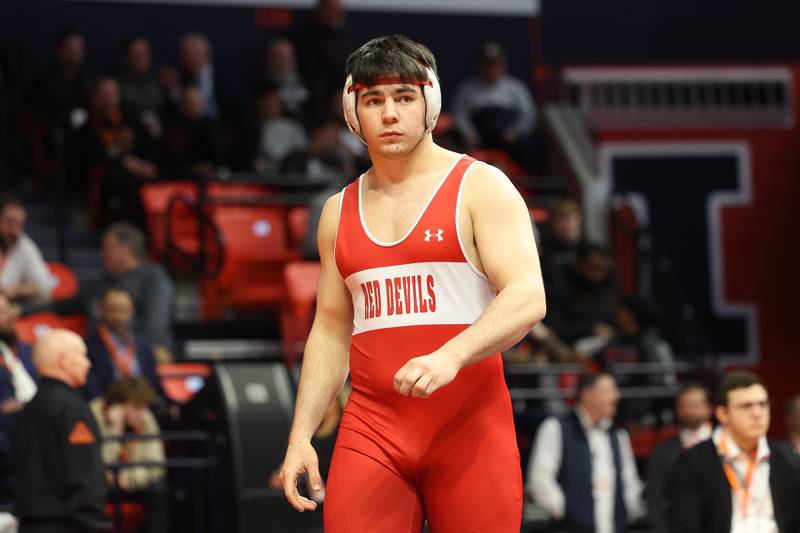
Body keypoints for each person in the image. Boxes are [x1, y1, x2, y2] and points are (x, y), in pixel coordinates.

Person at [279, 34, 545, 532]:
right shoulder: (338, 212)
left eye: (404, 97)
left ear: (431, 104)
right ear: (352, 114)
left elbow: (528, 296)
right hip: (372, 428)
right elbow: (330, 331)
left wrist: (449, 355)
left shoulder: (480, 187)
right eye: (373, 100)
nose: (389, 113)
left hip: (469, 425)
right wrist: (301, 437)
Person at [667, 371, 800, 533]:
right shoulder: (693, 462)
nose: (757, 414)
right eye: (746, 406)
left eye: (763, 404)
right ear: (722, 413)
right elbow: (685, 526)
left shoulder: (787, 458)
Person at [12, 329, 110, 532]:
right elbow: (83, 477)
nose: (88, 363)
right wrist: (96, 526)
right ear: (64, 361)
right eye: (82, 356)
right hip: (68, 524)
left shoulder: (29, 409)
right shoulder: (72, 409)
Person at [22, 222, 175, 351]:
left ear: (126, 250)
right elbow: (59, 306)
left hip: (136, 356)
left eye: (107, 248)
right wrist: (20, 310)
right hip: (96, 358)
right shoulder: (99, 286)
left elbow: (155, 326)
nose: (102, 254)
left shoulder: (153, 277)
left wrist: (141, 354)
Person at [528, 372, 644, 533]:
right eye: (608, 391)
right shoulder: (555, 428)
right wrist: (567, 512)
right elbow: (540, 479)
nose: (616, 396)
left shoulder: (619, 435)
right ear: (587, 394)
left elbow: (630, 482)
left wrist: (625, 513)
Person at [90, 377, 168, 533]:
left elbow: (157, 465)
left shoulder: (146, 419)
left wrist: (129, 479)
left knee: (160, 491)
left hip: (131, 482)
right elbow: (95, 465)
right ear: (117, 406)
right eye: (137, 407)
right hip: (100, 485)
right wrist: (115, 430)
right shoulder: (93, 416)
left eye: (145, 406)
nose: (143, 413)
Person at [451, 41, 538, 170]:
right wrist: (468, 132)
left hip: (508, 136)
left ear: (503, 65)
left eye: (495, 64)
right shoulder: (467, 88)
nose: (491, 69)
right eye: (487, 64)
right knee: (454, 146)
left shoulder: (516, 87)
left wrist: (516, 131)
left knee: (530, 146)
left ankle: (528, 185)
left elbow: (529, 114)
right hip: (479, 135)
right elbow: (459, 114)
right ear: (480, 66)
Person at [646, 383, 713, 533]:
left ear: (709, 408)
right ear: (678, 410)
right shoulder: (663, 451)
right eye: (685, 405)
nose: (690, 410)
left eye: (695, 404)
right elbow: (654, 500)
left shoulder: (725, 446)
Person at [84, 287, 164, 400]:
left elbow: (155, 387)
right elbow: (91, 391)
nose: (119, 316)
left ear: (132, 311)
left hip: (143, 408)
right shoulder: (88, 348)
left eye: (124, 310)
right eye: (113, 310)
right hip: (107, 409)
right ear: (102, 310)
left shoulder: (146, 348)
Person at [545, 242, 619, 346]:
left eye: (603, 269)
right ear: (579, 265)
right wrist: (589, 329)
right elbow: (554, 328)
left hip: (605, 346)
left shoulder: (606, 287)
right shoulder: (559, 287)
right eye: (594, 268)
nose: (599, 275)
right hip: (566, 348)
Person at [0, 196, 52, 303]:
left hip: (9, 306)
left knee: (42, 301)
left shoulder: (25, 246)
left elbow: (44, 285)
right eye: (9, 222)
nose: (14, 229)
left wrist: (17, 290)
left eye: (18, 223)